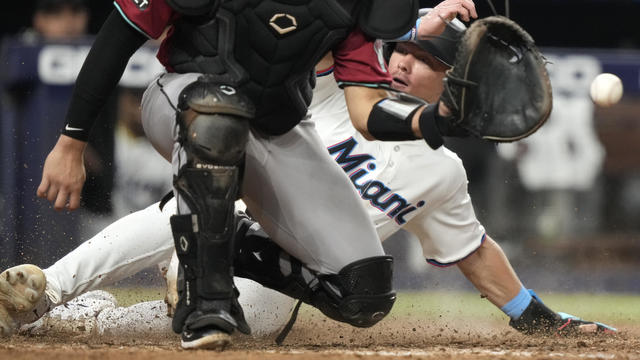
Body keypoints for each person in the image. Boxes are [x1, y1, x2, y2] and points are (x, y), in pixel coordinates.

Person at [1, 4, 615, 343]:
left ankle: (89, 320)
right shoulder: (333, 81)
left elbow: (475, 253)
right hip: (225, 198)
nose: (403, 63)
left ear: (454, 85)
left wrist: (539, 316)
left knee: (206, 319)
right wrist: (422, 21)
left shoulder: (443, 175)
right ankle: (44, 289)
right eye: (403, 53)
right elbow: (330, 30)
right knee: (197, 196)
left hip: (285, 280)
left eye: (424, 63)